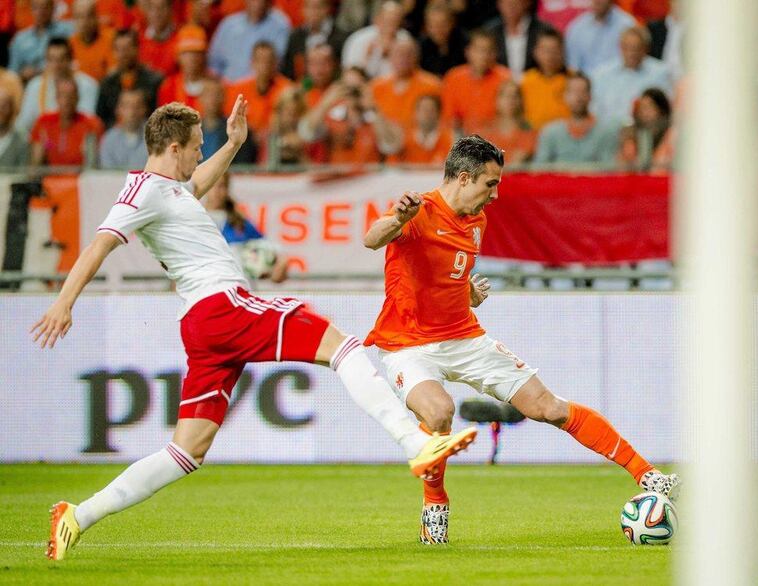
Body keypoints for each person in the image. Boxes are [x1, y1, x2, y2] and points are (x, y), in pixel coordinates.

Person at [37, 95, 476, 561]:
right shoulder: (141, 192)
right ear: (171, 148)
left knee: (187, 450)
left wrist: (232, 145)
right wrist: (64, 303)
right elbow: (100, 244)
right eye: (196, 147)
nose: (199, 156)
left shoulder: (169, 190)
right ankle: (414, 443)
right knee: (341, 344)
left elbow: (197, 185)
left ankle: (75, 516)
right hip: (224, 305)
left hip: (204, 324)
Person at [362, 135, 681, 544]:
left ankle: (650, 476)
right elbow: (372, 238)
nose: (495, 195)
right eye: (490, 184)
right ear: (463, 177)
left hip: (463, 336)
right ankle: (435, 505)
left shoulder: (476, 221)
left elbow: (446, 277)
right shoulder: (418, 211)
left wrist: (468, 294)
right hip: (406, 344)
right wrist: (397, 219)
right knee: (439, 412)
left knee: (547, 407)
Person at [204, 172, 289, 282]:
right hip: (207, 291)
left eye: (221, 186)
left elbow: (274, 252)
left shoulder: (239, 222)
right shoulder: (194, 220)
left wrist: (280, 264)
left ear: (227, 188)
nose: (215, 192)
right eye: (211, 185)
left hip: (241, 292)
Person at [16, 37, 99, 136]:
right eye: (51, 59)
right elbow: (23, 124)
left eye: (61, 59)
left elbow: (87, 121)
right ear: (46, 61)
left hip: (76, 140)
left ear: (71, 59)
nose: (56, 65)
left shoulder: (88, 85)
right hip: (45, 142)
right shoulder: (35, 85)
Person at [590, 26, 671, 125]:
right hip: (610, 132)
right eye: (627, 48)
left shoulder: (660, 72)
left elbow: (664, 109)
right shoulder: (602, 74)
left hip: (645, 130)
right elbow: (594, 109)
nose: (632, 53)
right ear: (620, 47)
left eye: (637, 48)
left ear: (646, 49)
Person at [535, 72, 619, 166]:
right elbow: (539, 170)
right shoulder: (550, 132)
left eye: (583, 91)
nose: (578, 97)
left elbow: (609, 169)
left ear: (590, 96)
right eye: (573, 91)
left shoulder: (606, 132)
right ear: (565, 96)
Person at [441, 30, 511, 135]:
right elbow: (449, 119)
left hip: (496, 137)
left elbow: (510, 118)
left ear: (495, 54)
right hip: (462, 138)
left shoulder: (505, 78)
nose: (484, 55)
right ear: (468, 52)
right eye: (480, 50)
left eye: (489, 51)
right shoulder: (453, 78)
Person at [208, 0, 291, 82]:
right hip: (228, 88)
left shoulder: (280, 25)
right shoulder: (229, 24)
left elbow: (278, 64)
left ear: (269, 2)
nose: (258, 3)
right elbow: (214, 63)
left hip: (262, 88)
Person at [96, 29, 163, 129]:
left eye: (127, 48)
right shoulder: (106, 84)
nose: (123, 54)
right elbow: (101, 119)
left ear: (137, 49)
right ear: (113, 52)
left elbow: (160, 117)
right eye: (119, 49)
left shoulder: (154, 81)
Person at [30, 76, 104, 167]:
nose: (67, 101)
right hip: (49, 178)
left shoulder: (91, 124)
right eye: (62, 95)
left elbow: (93, 165)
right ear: (56, 98)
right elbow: (34, 166)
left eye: (71, 96)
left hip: (80, 178)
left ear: (77, 98)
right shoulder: (43, 122)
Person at [8, 0, 74, 83]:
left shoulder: (68, 30)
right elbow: (12, 73)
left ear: (53, 8)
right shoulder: (20, 39)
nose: (41, 11)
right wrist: (22, 74)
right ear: (31, 9)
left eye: (45, 7)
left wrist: (39, 71)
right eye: (36, 7)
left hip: (62, 81)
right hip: (30, 85)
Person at [280, 0, 348, 80]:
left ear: (327, 9)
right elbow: (288, 71)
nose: (313, 12)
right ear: (302, 10)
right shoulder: (295, 37)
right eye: (308, 7)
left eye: (317, 7)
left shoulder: (341, 38)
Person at [565, 0, 635, 76]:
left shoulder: (627, 25)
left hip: (617, 80)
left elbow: (632, 61)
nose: (597, 1)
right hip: (585, 82)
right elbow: (572, 65)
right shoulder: (577, 27)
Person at [519, 27, 570, 131]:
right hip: (532, 138)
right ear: (535, 52)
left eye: (554, 50)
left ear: (563, 52)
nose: (550, 56)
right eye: (545, 50)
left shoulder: (573, 80)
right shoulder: (525, 80)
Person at [99, 88, 148, 169]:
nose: (132, 112)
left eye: (137, 106)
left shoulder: (156, 138)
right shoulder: (109, 139)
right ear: (118, 110)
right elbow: (106, 173)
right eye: (126, 106)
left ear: (144, 109)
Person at [0, 88, 30, 167]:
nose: (0, 110)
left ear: (12, 109)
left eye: (4, 105)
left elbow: (23, 174)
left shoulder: (22, 139)